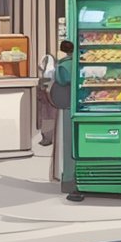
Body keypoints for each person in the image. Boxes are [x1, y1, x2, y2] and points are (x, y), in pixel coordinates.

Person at [51, 41, 77, 198]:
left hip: (68, 107)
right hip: (81, 105)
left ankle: (69, 178)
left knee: (68, 144)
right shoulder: (83, 61)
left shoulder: (64, 66)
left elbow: (60, 80)